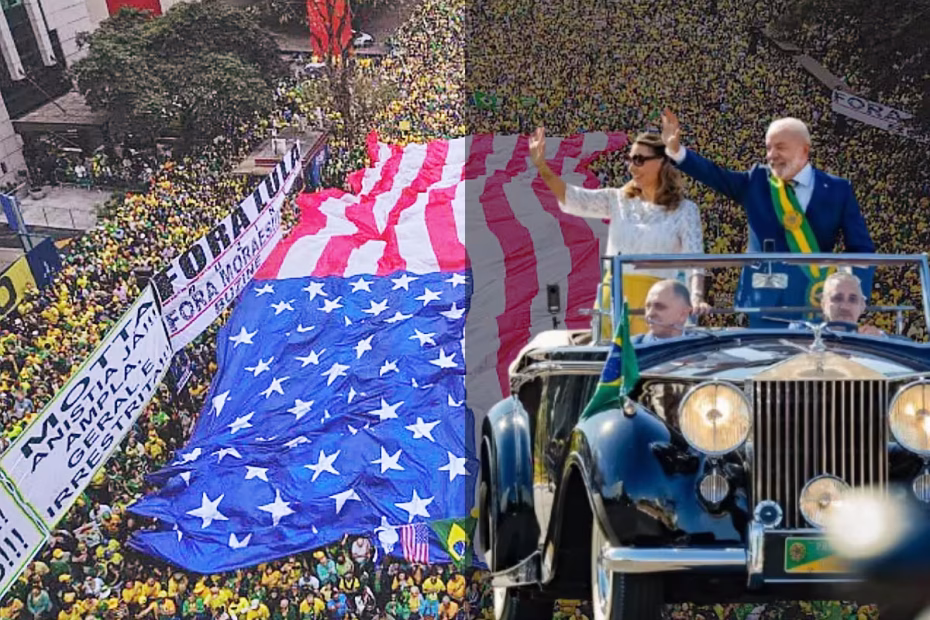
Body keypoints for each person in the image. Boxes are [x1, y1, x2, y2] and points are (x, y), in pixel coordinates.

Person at [659, 109, 875, 327]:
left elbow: (861, 248)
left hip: (813, 301)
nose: (771, 155)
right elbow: (714, 175)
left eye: (780, 147)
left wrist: (857, 298)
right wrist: (676, 151)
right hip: (762, 303)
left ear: (804, 150)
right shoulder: (757, 180)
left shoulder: (837, 189)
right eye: (768, 148)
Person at [528, 127, 708, 336]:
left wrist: (696, 297)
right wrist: (542, 167)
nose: (631, 167)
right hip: (613, 300)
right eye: (629, 159)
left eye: (639, 160)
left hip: (658, 305)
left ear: (661, 163)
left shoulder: (685, 211)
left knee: (649, 364)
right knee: (611, 364)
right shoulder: (618, 200)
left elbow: (695, 260)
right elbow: (573, 197)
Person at [790, 271, 883, 335]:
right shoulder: (802, 332)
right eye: (837, 298)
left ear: (862, 306)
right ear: (823, 304)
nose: (845, 307)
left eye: (852, 300)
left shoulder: (873, 339)